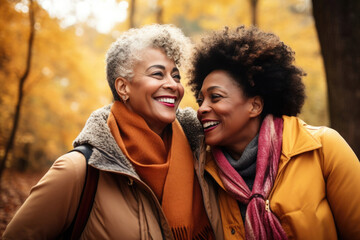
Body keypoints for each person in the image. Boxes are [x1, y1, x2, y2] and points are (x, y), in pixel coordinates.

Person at [3, 24, 215, 240]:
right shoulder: (78, 171)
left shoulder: (202, 153)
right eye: (158, 74)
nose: (173, 85)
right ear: (123, 87)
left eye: (176, 76)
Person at [187, 25, 360, 240]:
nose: (202, 108)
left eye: (216, 97)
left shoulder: (323, 148)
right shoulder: (203, 174)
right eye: (201, 100)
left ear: (255, 106)